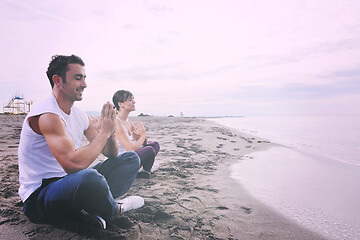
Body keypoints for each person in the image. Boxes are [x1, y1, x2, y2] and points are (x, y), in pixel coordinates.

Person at [18, 55, 144, 230]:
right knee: (89, 177)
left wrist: (111, 133)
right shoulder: (48, 115)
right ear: (58, 80)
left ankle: (94, 207)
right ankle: (114, 208)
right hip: (39, 196)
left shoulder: (78, 114)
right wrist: (104, 133)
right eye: (78, 78)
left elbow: (111, 153)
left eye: (84, 78)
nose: (84, 84)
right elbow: (73, 164)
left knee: (130, 158)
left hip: (69, 182)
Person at [112, 90, 160, 179]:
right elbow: (130, 148)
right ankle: (145, 171)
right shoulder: (116, 122)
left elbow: (144, 143)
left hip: (130, 158)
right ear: (120, 104)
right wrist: (142, 136)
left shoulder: (128, 121)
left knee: (154, 145)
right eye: (130, 100)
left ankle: (141, 170)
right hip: (120, 162)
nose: (134, 102)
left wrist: (142, 135)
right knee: (149, 150)